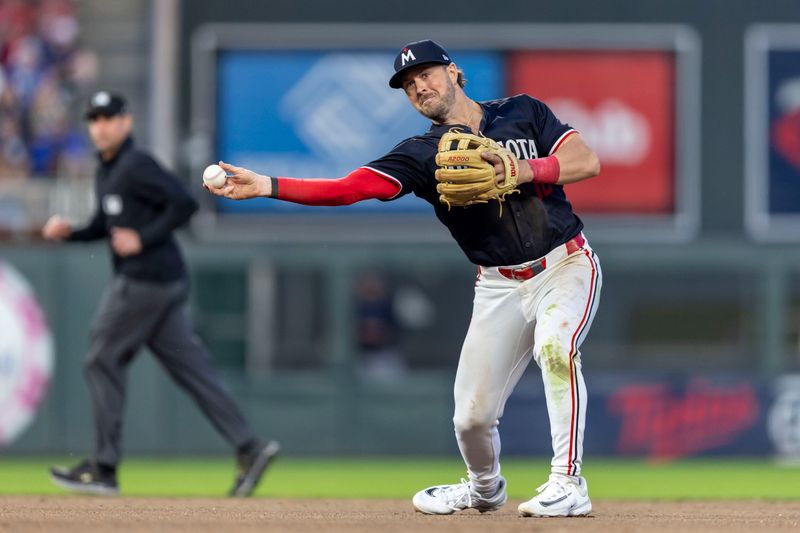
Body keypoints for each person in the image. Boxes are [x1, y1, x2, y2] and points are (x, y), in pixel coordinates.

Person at [206, 40, 602, 517]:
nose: (419, 86)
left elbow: (586, 162)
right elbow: (348, 189)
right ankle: (482, 489)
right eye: (409, 84)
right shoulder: (420, 154)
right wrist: (268, 185)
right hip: (498, 284)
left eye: (427, 74)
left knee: (555, 347)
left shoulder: (523, 112)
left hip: (564, 264)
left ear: (455, 73)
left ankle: (568, 481)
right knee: (470, 420)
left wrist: (524, 169)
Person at [43, 91, 279, 497]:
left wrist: (143, 237)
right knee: (195, 373)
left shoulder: (136, 164)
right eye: (94, 119)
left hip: (145, 280)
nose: (100, 126)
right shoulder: (109, 169)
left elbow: (185, 203)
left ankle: (103, 467)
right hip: (164, 284)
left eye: (108, 117)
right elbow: (106, 224)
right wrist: (72, 233)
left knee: (101, 359)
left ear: (125, 122)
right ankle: (250, 446)